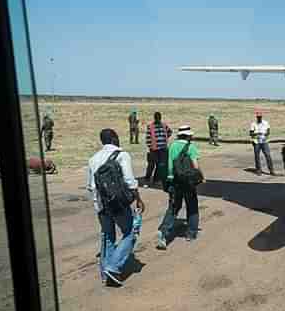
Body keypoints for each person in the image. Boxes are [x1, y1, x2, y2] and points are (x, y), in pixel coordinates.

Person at [86, 129, 145, 286]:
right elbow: (130, 180)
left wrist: (98, 204)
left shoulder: (93, 159)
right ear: (114, 139)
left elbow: (91, 186)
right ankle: (113, 267)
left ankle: (106, 273)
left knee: (107, 236)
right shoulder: (122, 155)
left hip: (101, 204)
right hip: (118, 204)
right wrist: (138, 199)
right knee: (130, 232)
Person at [158, 125, 203, 247]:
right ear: (188, 135)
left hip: (174, 181)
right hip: (188, 182)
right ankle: (191, 233)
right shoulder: (191, 147)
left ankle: (163, 232)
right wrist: (200, 177)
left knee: (173, 207)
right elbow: (195, 166)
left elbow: (169, 164)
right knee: (192, 206)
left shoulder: (172, 146)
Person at [145, 112, 172, 187]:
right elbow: (148, 138)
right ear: (154, 118)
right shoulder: (150, 126)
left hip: (163, 149)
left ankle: (156, 179)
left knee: (160, 165)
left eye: (158, 117)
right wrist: (150, 147)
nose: (158, 119)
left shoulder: (164, 126)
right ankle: (147, 178)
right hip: (153, 149)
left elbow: (170, 132)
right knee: (151, 165)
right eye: (156, 117)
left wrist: (165, 138)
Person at [250, 110, 275, 176]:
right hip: (256, 142)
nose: (259, 118)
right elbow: (251, 133)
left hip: (264, 141)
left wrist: (265, 134)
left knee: (268, 155)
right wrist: (257, 133)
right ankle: (258, 170)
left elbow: (268, 131)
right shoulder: (253, 124)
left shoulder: (266, 123)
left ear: (261, 117)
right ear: (256, 117)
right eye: (258, 117)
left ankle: (271, 170)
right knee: (257, 156)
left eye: (260, 117)